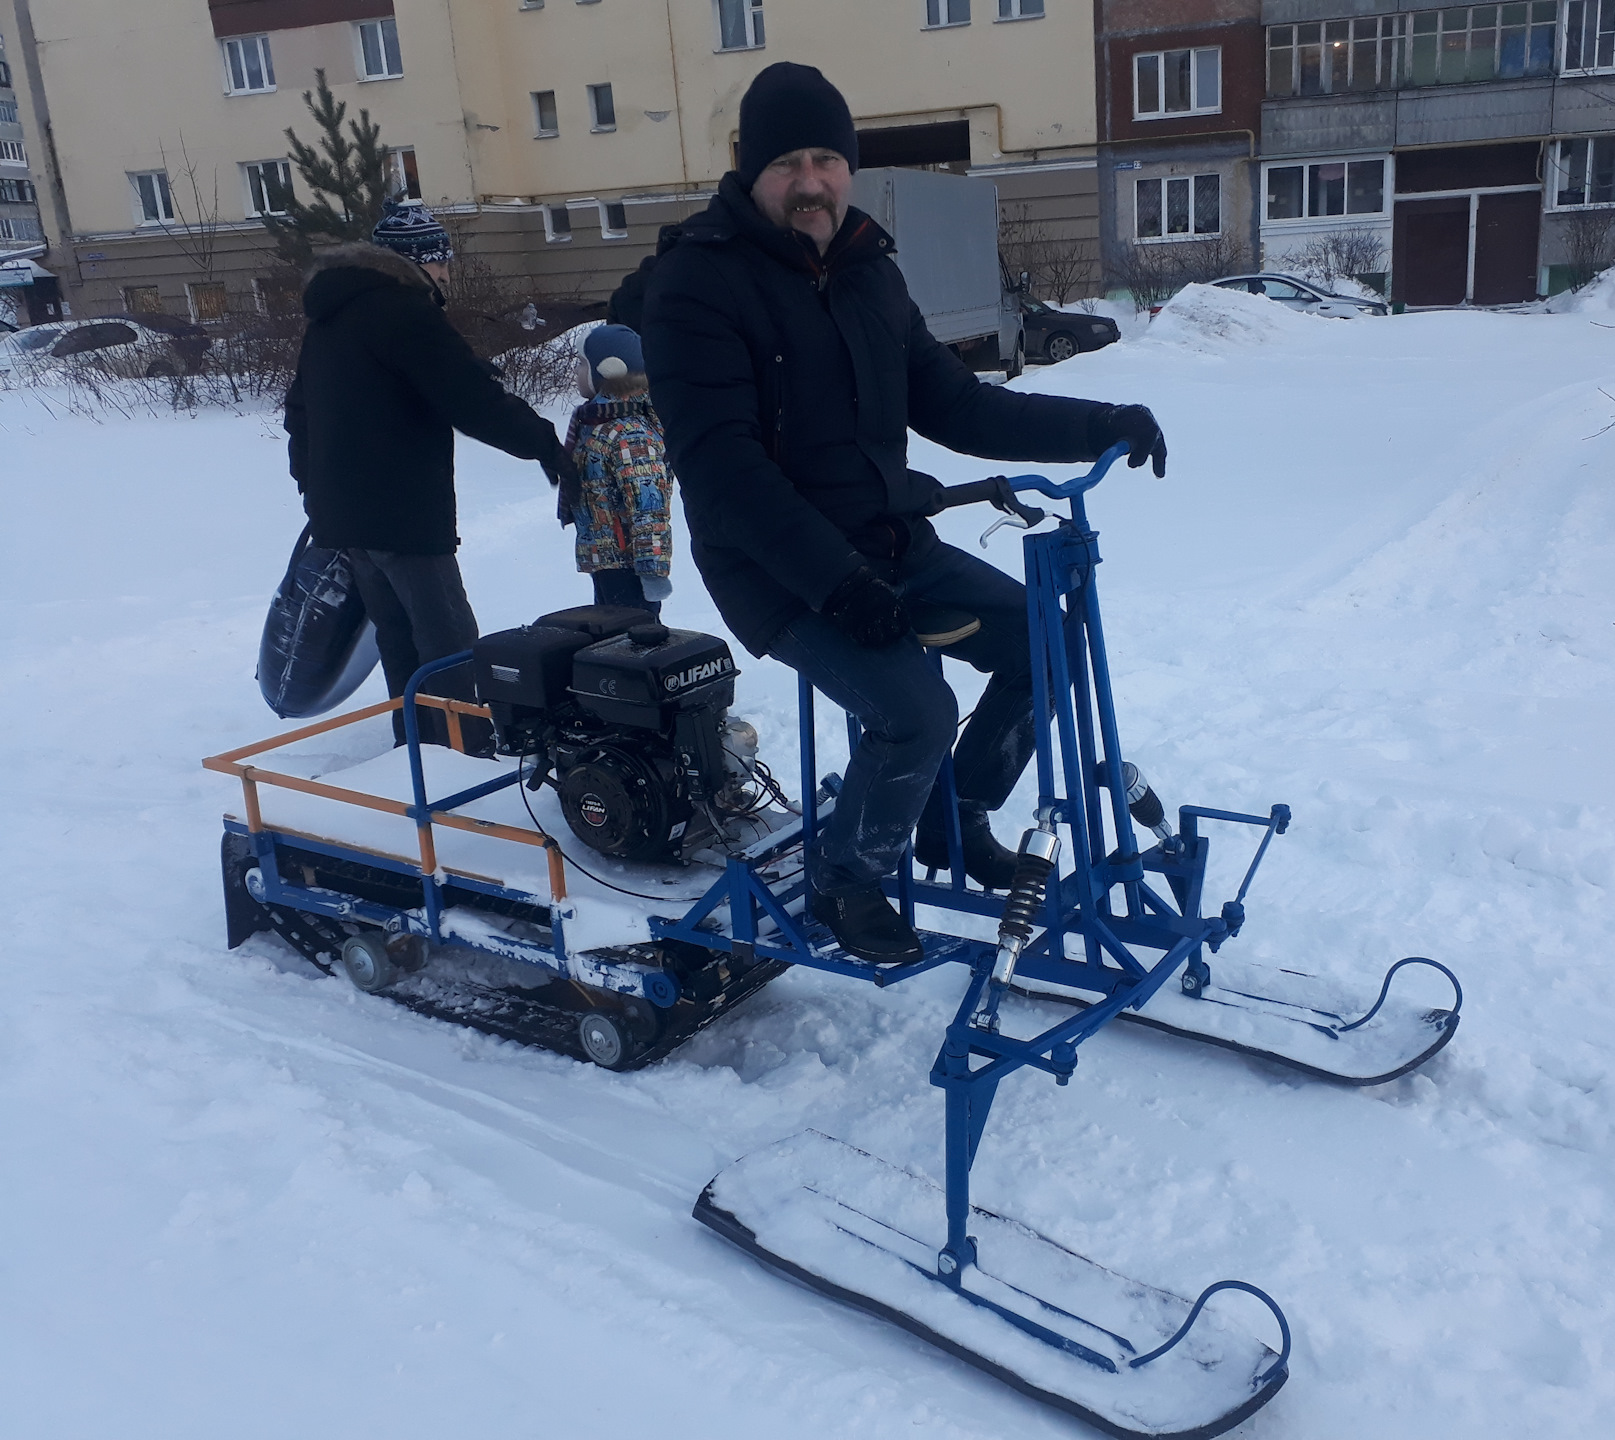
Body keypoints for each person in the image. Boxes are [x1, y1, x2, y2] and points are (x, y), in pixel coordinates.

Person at [623, 62, 1167, 964]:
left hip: (888, 542)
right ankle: (850, 878)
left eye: (827, 159)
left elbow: (956, 403)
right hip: (776, 566)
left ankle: (954, 821)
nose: (812, 181)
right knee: (914, 708)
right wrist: (838, 586)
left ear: (848, 167)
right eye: (789, 162)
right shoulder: (696, 286)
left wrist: (1099, 423)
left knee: (1051, 646)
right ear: (749, 170)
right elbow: (724, 474)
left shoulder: (869, 267)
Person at [284, 200, 573, 748]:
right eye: (442, 262)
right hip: (403, 515)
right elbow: (470, 399)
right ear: (418, 262)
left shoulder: (330, 317)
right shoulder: (403, 310)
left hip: (346, 517)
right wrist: (545, 445)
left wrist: (313, 487)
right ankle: (464, 755)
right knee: (447, 640)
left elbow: (300, 412)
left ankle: (416, 748)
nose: (447, 273)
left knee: (398, 641)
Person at [560, 324, 675, 616]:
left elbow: (649, 508)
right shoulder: (596, 422)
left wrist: (651, 571)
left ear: (607, 369)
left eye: (582, 364)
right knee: (612, 643)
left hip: (628, 565)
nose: (575, 371)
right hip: (606, 557)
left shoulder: (630, 433)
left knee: (635, 641)